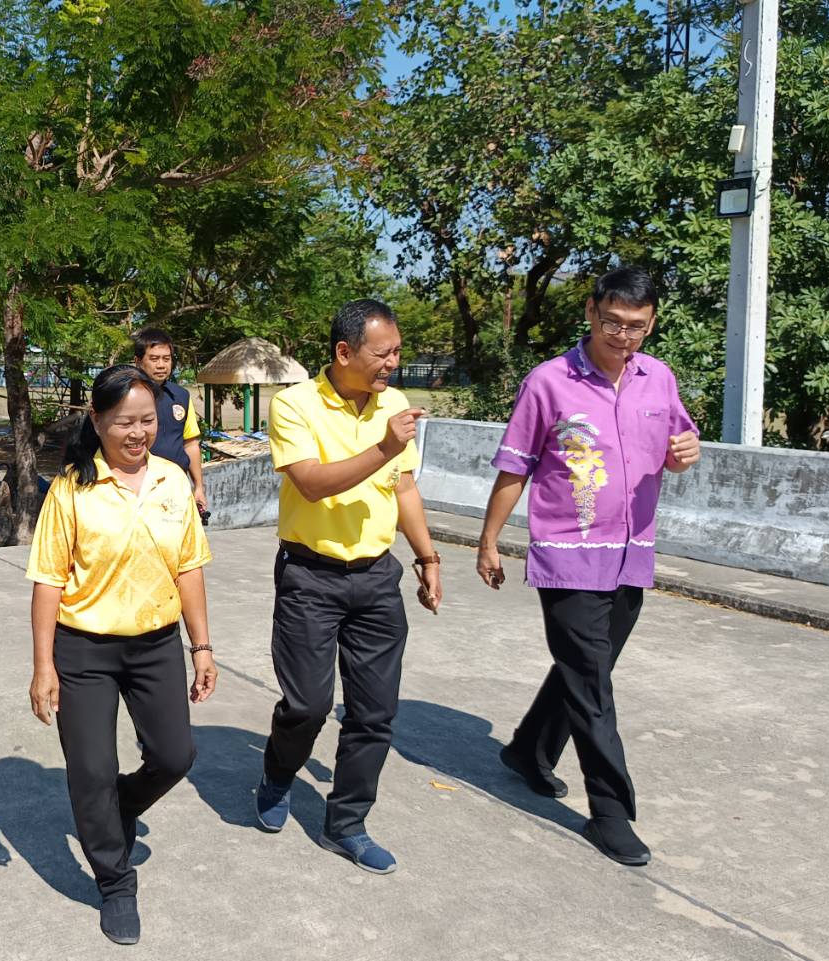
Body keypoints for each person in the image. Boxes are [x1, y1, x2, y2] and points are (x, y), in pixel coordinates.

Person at [476, 266, 701, 867]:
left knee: (584, 672)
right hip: (567, 554)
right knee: (593, 684)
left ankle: (527, 751)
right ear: (590, 311)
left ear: (651, 322)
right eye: (611, 322)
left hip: (632, 554)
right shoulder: (549, 382)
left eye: (637, 326)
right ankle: (610, 812)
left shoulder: (659, 380)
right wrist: (490, 539)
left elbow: (679, 450)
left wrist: (685, 455)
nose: (623, 336)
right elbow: (515, 467)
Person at [26, 364, 218, 946]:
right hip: (84, 649)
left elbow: (188, 566)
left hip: (155, 644)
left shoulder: (173, 481)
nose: (137, 433)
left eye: (147, 421)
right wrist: (43, 667)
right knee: (89, 773)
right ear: (97, 421)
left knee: (175, 756)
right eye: (124, 423)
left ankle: (122, 807)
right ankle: (115, 880)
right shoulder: (71, 489)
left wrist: (202, 646)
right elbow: (47, 580)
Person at [253, 298, 443, 875]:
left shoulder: (395, 405)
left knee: (374, 713)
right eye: (383, 354)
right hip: (311, 577)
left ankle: (348, 823)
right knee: (308, 705)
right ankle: (278, 774)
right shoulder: (294, 406)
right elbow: (310, 485)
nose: (394, 364)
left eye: (398, 352)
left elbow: (402, 487)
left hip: (377, 578)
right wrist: (383, 445)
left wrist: (426, 556)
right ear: (344, 352)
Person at [132, 329, 208, 519]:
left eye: (166, 359)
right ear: (138, 361)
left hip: (176, 486)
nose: (161, 365)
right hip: (138, 487)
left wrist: (198, 486)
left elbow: (190, 443)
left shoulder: (181, 395)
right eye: (154, 358)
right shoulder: (126, 395)